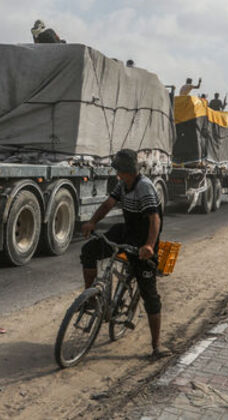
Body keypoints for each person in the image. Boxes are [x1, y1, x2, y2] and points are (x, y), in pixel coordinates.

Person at [80, 149, 170, 359]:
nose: (117, 174)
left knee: (150, 296)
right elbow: (108, 204)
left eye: (118, 170)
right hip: (126, 232)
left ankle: (156, 346)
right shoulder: (123, 185)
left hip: (143, 242)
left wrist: (149, 246)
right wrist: (93, 222)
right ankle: (90, 298)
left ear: (126, 171)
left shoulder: (144, 188)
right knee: (89, 250)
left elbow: (154, 219)